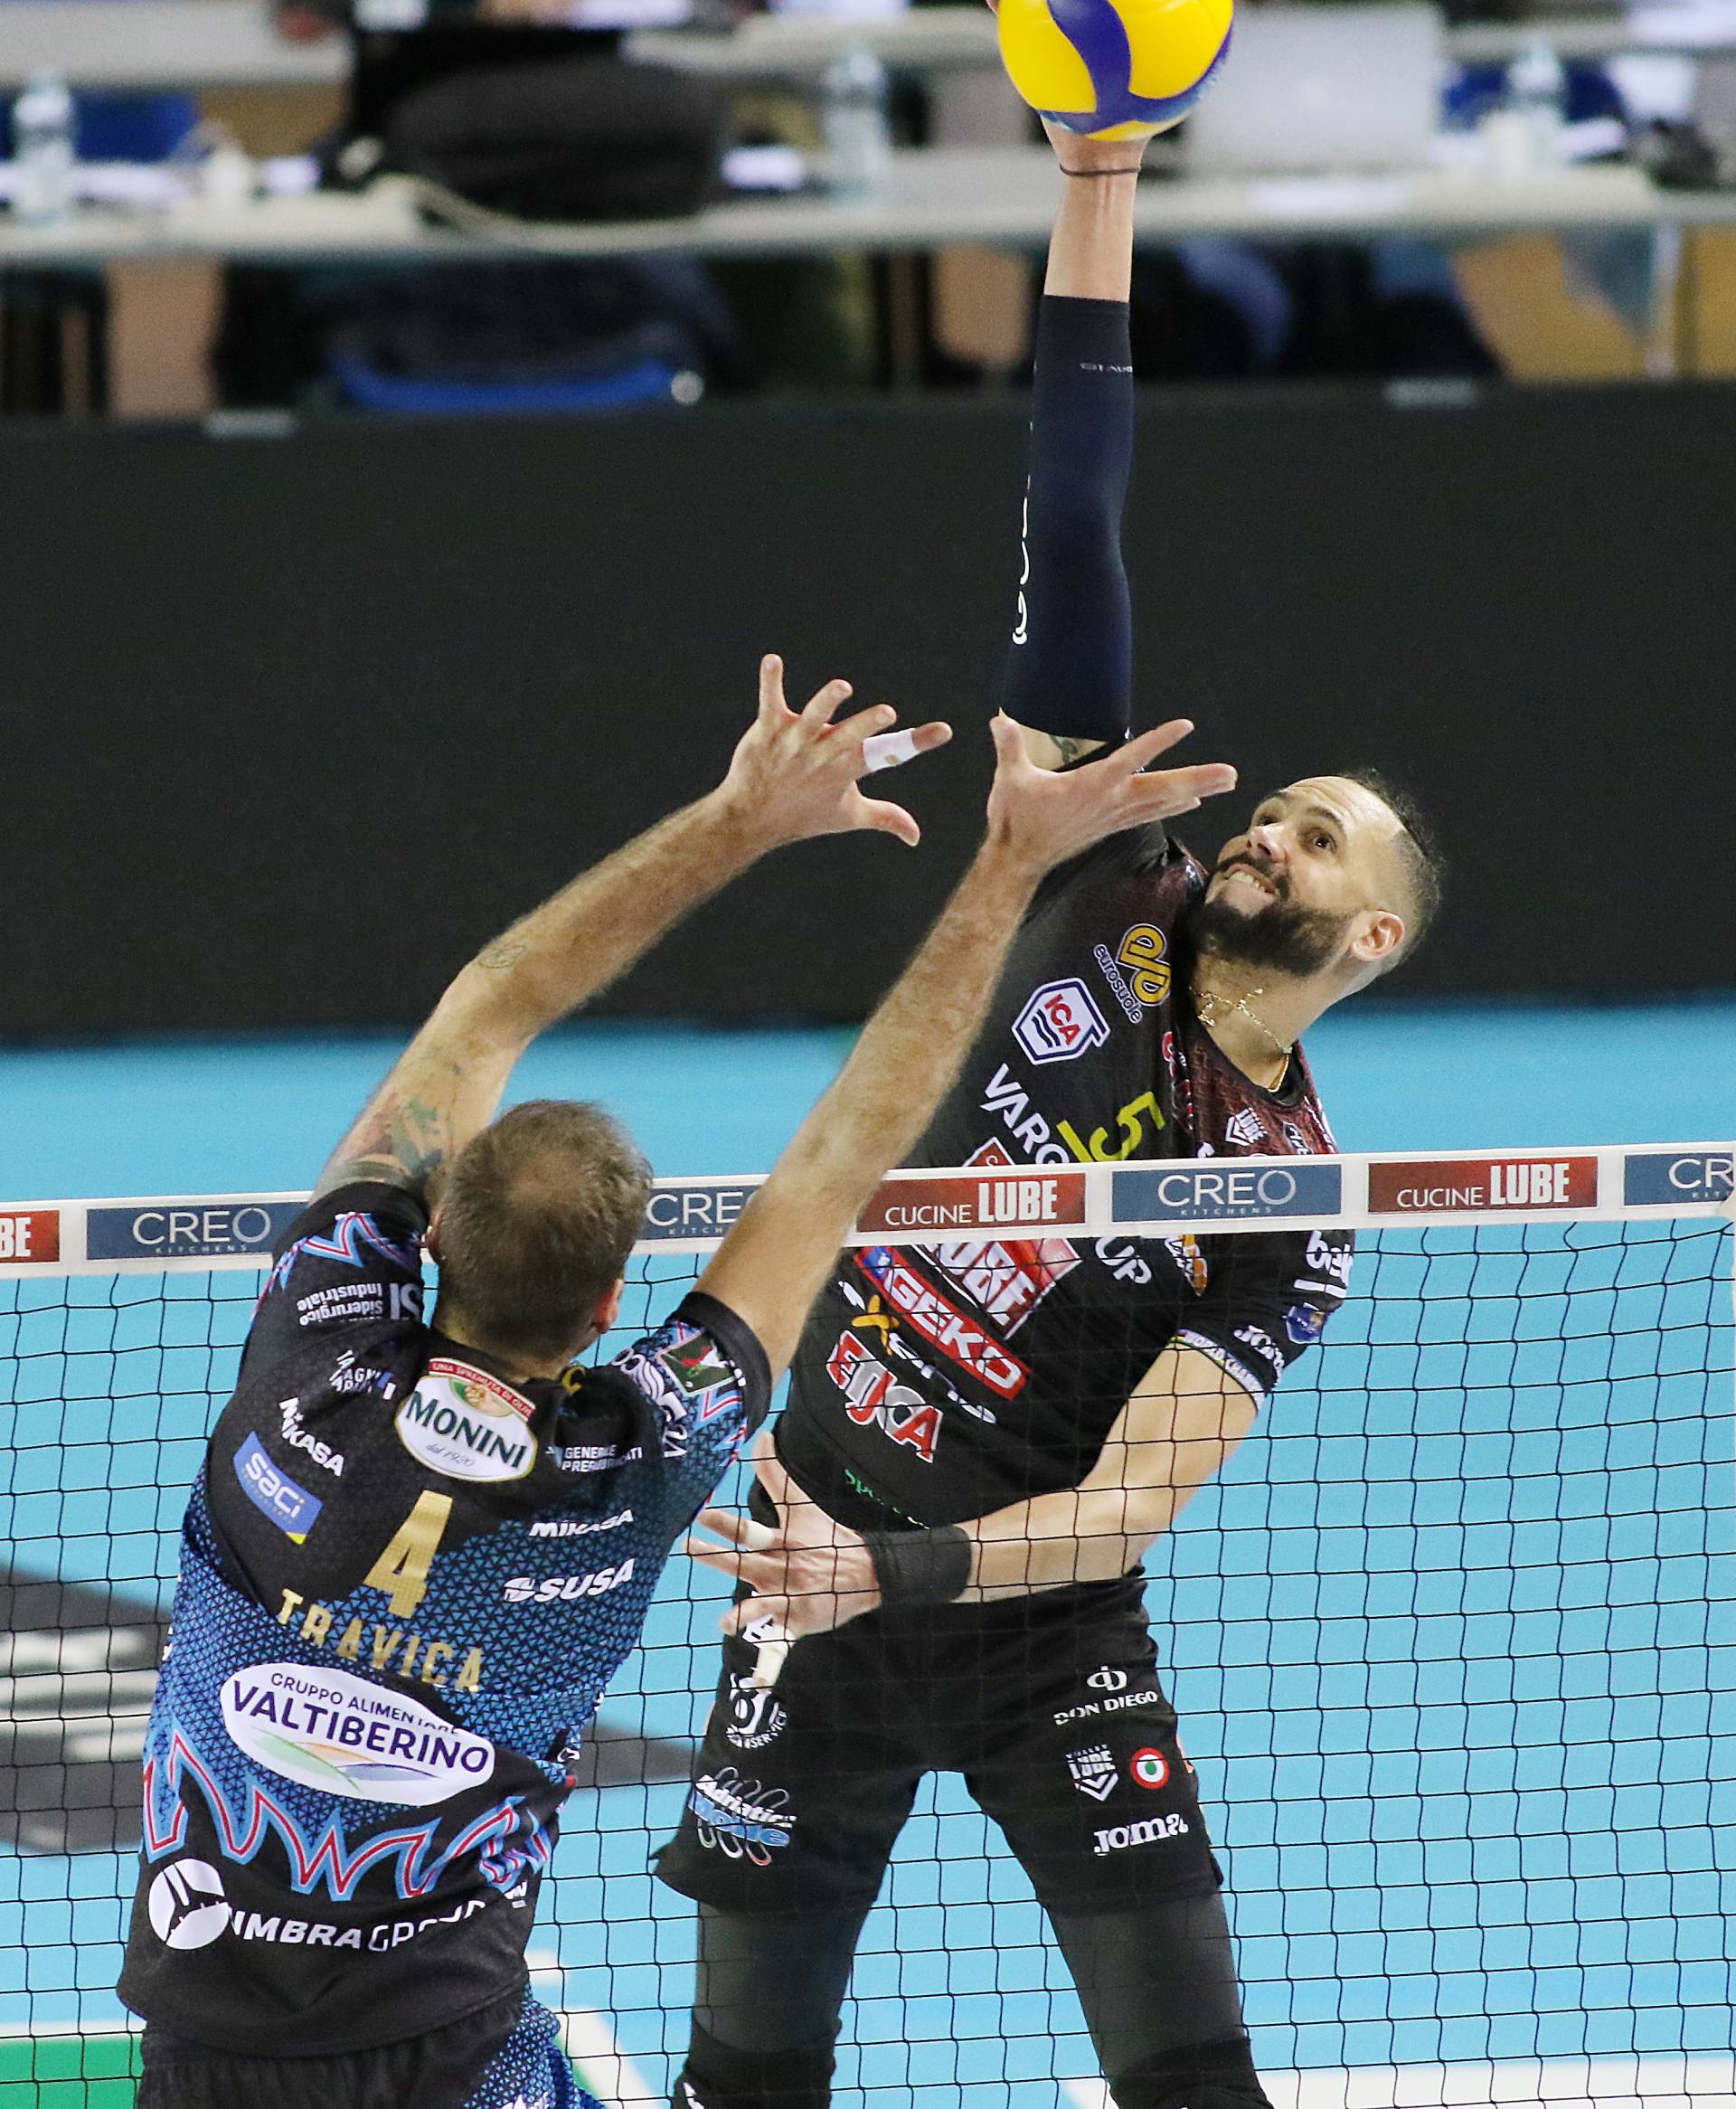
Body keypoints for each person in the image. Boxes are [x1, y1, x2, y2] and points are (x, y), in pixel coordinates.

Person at [118, 655, 1233, 2109]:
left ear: (429, 1238)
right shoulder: (645, 1449)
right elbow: (842, 1156)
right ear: (609, 1307)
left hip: (208, 2059)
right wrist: (1011, 862)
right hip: (468, 2067)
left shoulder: (309, 1346)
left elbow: (490, 1006)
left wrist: (737, 816)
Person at [659, 116, 1445, 2109]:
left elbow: (1126, 1507)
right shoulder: (1106, 885)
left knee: (1197, 2086)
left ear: (1368, 936)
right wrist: (1099, 188)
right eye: (1276, 808)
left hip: (1037, 1630)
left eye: (1319, 840)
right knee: (744, 2083)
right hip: (808, 1558)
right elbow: (1076, 513)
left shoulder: (1289, 1204)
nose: (1268, 831)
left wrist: (901, 1578)